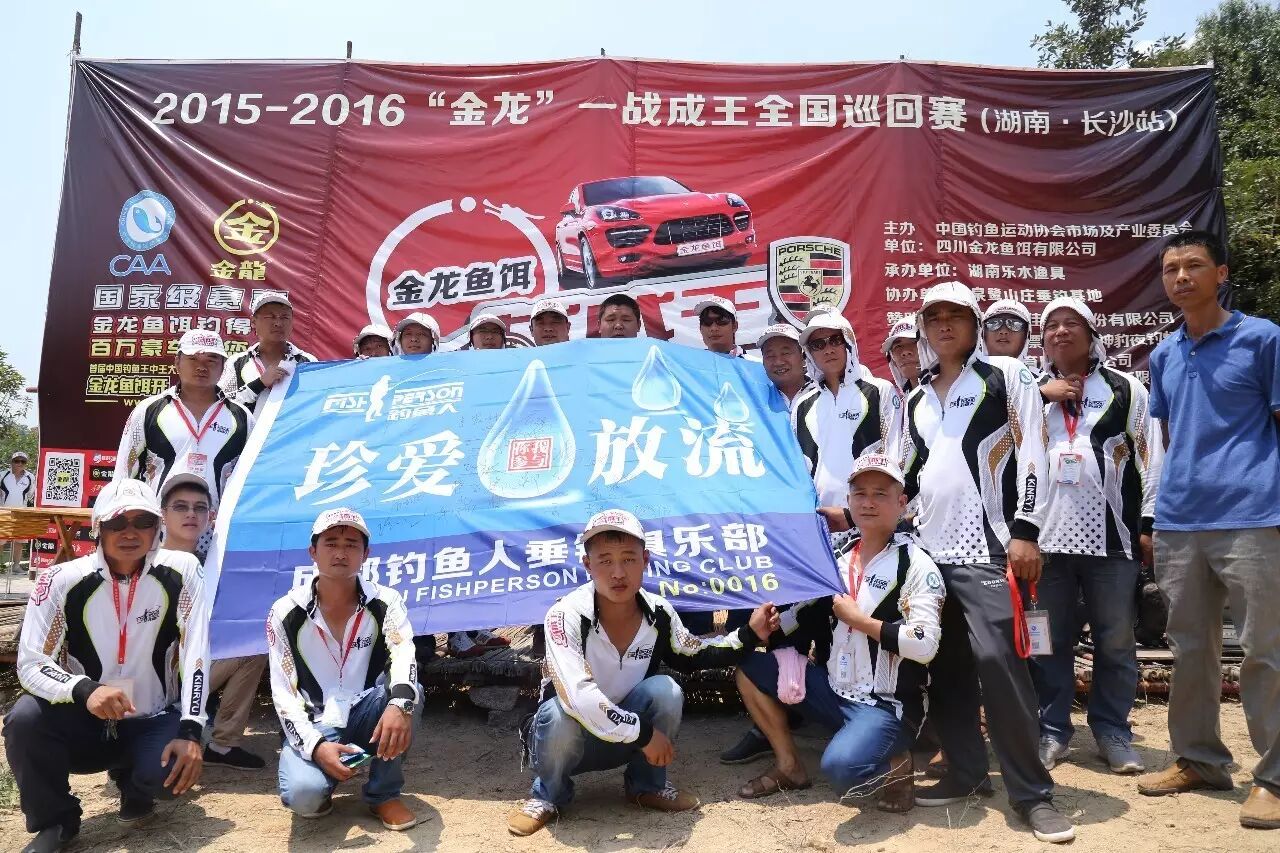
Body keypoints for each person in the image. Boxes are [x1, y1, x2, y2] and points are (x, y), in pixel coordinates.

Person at [901, 281, 1073, 843]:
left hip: (990, 547)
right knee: (946, 669)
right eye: (934, 317)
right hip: (929, 554)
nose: (944, 324)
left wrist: (1026, 531)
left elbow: (1034, 452)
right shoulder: (916, 397)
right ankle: (967, 773)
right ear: (923, 328)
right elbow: (909, 475)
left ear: (975, 324)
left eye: (956, 315)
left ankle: (1033, 794)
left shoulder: (1005, 375)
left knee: (1000, 663)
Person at [507, 509, 780, 837]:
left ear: (645, 560)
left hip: (624, 736)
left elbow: (695, 652)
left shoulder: (660, 612)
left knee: (666, 690)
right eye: (605, 561)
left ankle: (647, 786)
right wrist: (645, 734)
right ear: (587, 565)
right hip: (568, 740)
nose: (618, 573)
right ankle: (547, 795)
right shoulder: (564, 615)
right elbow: (577, 696)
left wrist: (749, 635)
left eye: (629, 559)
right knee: (557, 713)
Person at [1135, 231, 1280, 830]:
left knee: (1265, 650)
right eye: (1171, 268)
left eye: (1194, 265)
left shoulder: (1263, 339)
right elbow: (1169, 438)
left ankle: (1274, 777)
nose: (1181, 277)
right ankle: (1199, 759)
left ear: (1221, 274)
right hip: (1181, 520)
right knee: (1190, 649)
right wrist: (1158, 512)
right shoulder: (1165, 354)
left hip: (1254, 515)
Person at [3, 480, 208, 853]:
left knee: (166, 775)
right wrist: (85, 690)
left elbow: (196, 652)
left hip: (153, 715)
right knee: (25, 718)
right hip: (86, 718)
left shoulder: (183, 570)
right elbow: (31, 662)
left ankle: (135, 786)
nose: (130, 533)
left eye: (142, 522)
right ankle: (56, 821)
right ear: (97, 527)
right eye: (117, 523)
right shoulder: (60, 580)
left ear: (158, 526)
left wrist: (192, 730)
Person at [734, 455, 943, 812]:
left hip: (886, 706)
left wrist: (859, 621)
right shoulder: (839, 555)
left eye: (880, 494)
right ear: (848, 501)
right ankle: (789, 765)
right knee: (750, 669)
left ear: (901, 502)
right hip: (834, 691)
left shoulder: (917, 564)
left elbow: (925, 645)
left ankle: (898, 766)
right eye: (860, 493)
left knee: (841, 771)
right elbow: (805, 610)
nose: (868, 502)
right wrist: (769, 627)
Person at [1029, 297, 1162, 775]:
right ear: (1043, 339)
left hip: (1113, 538)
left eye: (1072, 323)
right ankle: (1052, 730)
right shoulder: (1028, 393)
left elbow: (1150, 455)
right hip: (1044, 542)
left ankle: (1112, 731)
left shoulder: (1125, 388)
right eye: (1052, 325)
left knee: (1116, 640)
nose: (1061, 331)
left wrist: (1148, 523)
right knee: (1048, 641)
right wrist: (1041, 396)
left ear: (1092, 335)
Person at [267, 508, 422, 831]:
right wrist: (316, 747)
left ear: (366, 554)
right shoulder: (285, 612)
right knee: (305, 798)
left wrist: (400, 704)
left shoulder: (386, 601)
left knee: (408, 694)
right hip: (316, 722)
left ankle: (383, 794)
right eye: (331, 544)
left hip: (368, 710)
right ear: (313, 551)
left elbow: (403, 653)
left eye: (351, 545)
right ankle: (323, 781)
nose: (341, 553)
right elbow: (283, 693)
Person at [158, 472, 268, 772]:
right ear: (163, 514)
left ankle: (223, 744)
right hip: (153, 676)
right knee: (159, 772)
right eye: (180, 507)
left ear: (211, 517)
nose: (191, 514)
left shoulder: (214, 562)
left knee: (253, 648)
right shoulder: (148, 562)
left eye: (200, 508)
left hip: (197, 666)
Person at [115, 330, 254, 554]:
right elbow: (124, 472)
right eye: (193, 359)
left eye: (211, 360)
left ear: (223, 366)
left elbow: (252, 479)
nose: (202, 367)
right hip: (157, 530)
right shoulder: (148, 410)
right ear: (177, 362)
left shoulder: (242, 417)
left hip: (219, 535)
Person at [793, 311, 900, 538]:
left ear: (848, 342)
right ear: (809, 353)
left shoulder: (879, 390)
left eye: (835, 340)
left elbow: (895, 455)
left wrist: (861, 514)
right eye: (818, 345)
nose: (828, 350)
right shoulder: (802, 404)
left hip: (869, 522)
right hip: (820, 523)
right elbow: (797, 469)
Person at [220, 292, 316, 416]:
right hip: (249, 429)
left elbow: (316, 403)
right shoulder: (237, 362)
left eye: (284, 317)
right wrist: (259, 384)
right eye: (270, 317)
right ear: (253, 322)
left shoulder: (308, 362)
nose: (278, 323)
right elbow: (221, 405)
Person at [983, 299, 1079, 406]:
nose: (1003, 331)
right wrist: (1041, 395)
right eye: (994, 323)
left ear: (1027, 335)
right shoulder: (969, 374)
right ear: (983, 333)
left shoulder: (1045, 382)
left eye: (1015, 324)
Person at [757, 324, 812, 407]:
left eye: (785, 353)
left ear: (803, 357)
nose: (778, 362)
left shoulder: (824, 394)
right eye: (770, 356)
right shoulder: (756, 400)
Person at [1, 450, 36, 571]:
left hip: (21, 513)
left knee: (19, 540)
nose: (20, 463)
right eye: (17, 461)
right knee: (1, 540)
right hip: (3, 512)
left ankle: (16, 566)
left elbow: (30, 495)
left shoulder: (30, 477)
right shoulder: (2, 475)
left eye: (23, 461)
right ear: (12, 462)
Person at [881, 317, 921, 398]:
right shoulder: (897, 403)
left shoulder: (947, 395)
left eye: (915, 342)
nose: (905, 352)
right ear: (892, 358)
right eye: (898, 346)